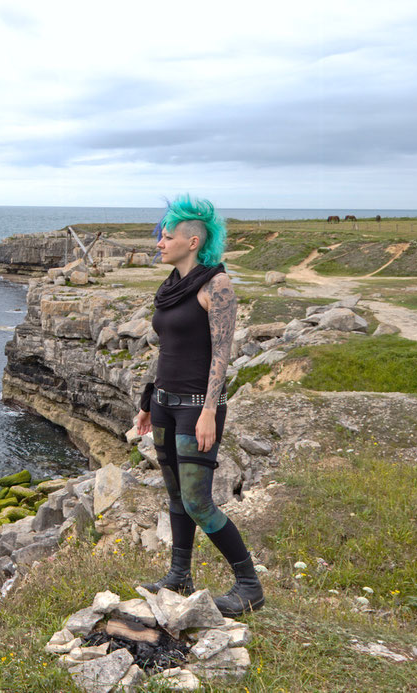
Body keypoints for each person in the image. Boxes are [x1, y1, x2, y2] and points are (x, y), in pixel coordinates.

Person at [132, 193, 265, 618]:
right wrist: (148, 400)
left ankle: (249, 586)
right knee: (175, 495)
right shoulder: (171, 286)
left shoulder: (216, 285)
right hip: (166, 404)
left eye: (166, 237)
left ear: (192, 242)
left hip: (196, 408)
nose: (159, 242)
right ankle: (178, 575)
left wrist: (209, 410)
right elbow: (168, 349)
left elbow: (221, 355)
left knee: (198, 501)